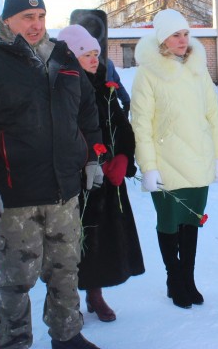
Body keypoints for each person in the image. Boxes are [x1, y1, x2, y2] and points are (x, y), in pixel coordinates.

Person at [0, 0, 102, 349]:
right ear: (7, 20)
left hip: (63, 190)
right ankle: (11, 341)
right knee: (16, 279)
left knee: (66, 271)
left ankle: (68, 334)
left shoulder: (63, 59)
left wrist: (94, 157)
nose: (36, 24)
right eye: (26, 17)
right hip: (13, 194)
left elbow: (87, 111)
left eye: (41, 16)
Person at [130, 9, 218, 309]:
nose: (183, 40)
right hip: (167, 163)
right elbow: (141, 123)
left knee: (191, 223)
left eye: (185, 33)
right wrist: (148, 166)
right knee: (170, 223)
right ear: (162, 38)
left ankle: (188, 278)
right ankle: (175, 278)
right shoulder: (148, 72)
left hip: (198, 161)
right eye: (176, 34)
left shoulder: (198, 69)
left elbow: (213, 114)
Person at [57, 25, 145, 322]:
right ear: (70, 56)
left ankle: (95, 294)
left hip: (108, 180)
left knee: (101, 241)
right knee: (75, 242)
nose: (95, 59)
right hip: (77, 181)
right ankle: (66, 302)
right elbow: (64, 135)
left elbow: (122, 126)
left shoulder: (104, 89)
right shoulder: (59, 89)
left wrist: (122, 157)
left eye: (96, 53)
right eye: (87, 54)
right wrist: (92, 160)